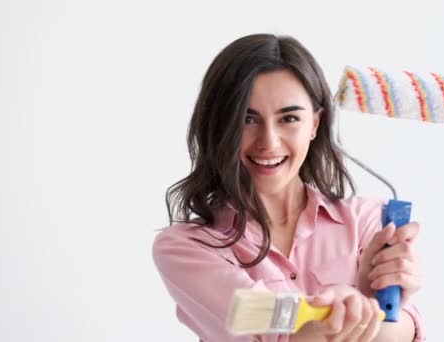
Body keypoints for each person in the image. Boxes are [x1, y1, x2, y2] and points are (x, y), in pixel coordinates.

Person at [152, 33, 424, 342]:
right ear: (220, 127)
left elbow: (403, 330)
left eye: (289, 118)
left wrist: (367, 297)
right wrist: (346, 311)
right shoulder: (186, 248)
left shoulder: (367, 221)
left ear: (316, 125)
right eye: (247, 120)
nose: (269, 142)